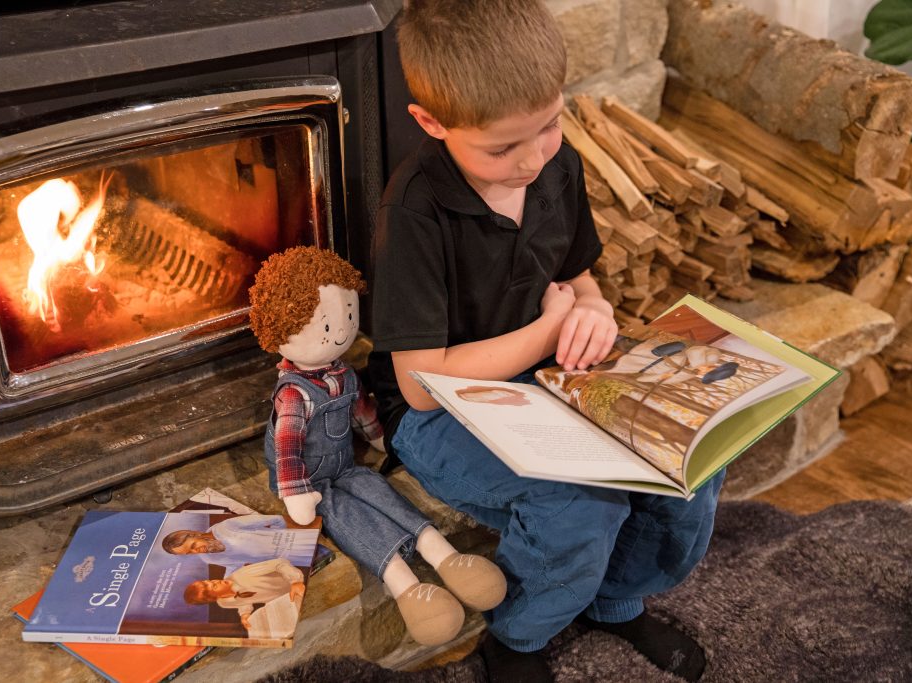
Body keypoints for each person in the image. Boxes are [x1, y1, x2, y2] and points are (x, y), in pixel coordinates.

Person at [368, 1, 723, 680]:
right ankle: (518, 636)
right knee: (579, 502)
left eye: (551, 125)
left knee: (686, 461)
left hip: (544, 371)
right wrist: (548, 330)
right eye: (504, 147)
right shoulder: (414, 209)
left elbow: (577, 279)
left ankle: (615, 597)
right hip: (439, 411)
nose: (533, 158)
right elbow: (421, 384)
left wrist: (594, 313)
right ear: (431, 123)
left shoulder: (557, 166)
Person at [248, 246, 507, 647]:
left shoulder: (344, 374)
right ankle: (406, 586)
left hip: (345, 466)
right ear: (283, 327)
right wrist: (296, 492)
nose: (344, 330)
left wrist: (376, 438)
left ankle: (444, 554)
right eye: (327, 325)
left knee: (377, 489)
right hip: (313, 481)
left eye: (350, 317)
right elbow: (287, 447)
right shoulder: (294, 395)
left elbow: (361, 409)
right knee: (347, 517)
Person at [161, 514, 315, 574]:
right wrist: (228, 585)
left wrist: (282, 537)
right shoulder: (209, 558)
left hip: (301, 542)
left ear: (195, 534)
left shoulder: (228, 526)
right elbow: (234, 565)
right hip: (292, 563)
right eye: (190, 553)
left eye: (193, 546)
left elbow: (276, 519)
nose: (197, 551)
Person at [183, 558, 305, 631]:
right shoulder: (223, 603)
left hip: (299, 583)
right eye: (214, 586)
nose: (216, 581)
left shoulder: (243, 574)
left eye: (210, 581)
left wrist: (295, 581)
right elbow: (243, 602)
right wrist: (245, 614)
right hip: (287, 600)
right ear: (215, 597)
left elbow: (279, 563)